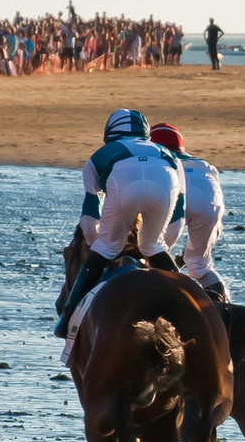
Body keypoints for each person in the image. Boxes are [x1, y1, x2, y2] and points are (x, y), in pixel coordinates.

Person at [53, 109, 187, 337]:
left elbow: (89, 215)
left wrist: (98, 242)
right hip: (166, 179)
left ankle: (67, 317)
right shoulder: (167, 153)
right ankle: (189, 298)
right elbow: (179, 215)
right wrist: (164, 243)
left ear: (109, 134)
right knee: (153, 247)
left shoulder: (100, 156)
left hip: (124, 183)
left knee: (107, 247)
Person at [150, 122, 230, 301]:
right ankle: (223, 304)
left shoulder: (156, 162)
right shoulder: (206, 166)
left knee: (151, 256)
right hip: (209, 206)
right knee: (200, 266)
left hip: (173, 199)